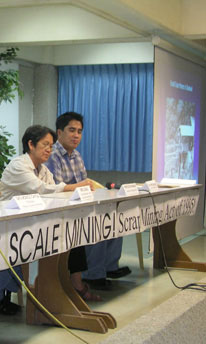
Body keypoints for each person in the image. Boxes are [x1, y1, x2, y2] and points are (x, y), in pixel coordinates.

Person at [0, 125, 96, 315]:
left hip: (31, 223)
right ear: (31, 144)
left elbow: (52, 191)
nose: (49, 149)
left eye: (51, 146)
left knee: (70, 238)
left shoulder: (42, 169)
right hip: (8, 226)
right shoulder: (19, 165)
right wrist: (75, 187)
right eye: (45, 144)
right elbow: (42, 189)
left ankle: (56, 289)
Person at [45, 111, 130, 292]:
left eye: (80, 131)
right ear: (59, 133)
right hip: (62, 210)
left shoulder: (76, 156)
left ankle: (109, 267)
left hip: (80, 204)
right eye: (72, 130)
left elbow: (85, 186)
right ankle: (93, 274)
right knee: (96, 224)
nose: (76, 135)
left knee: (114, 218)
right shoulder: (52, 156)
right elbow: (57, 189)